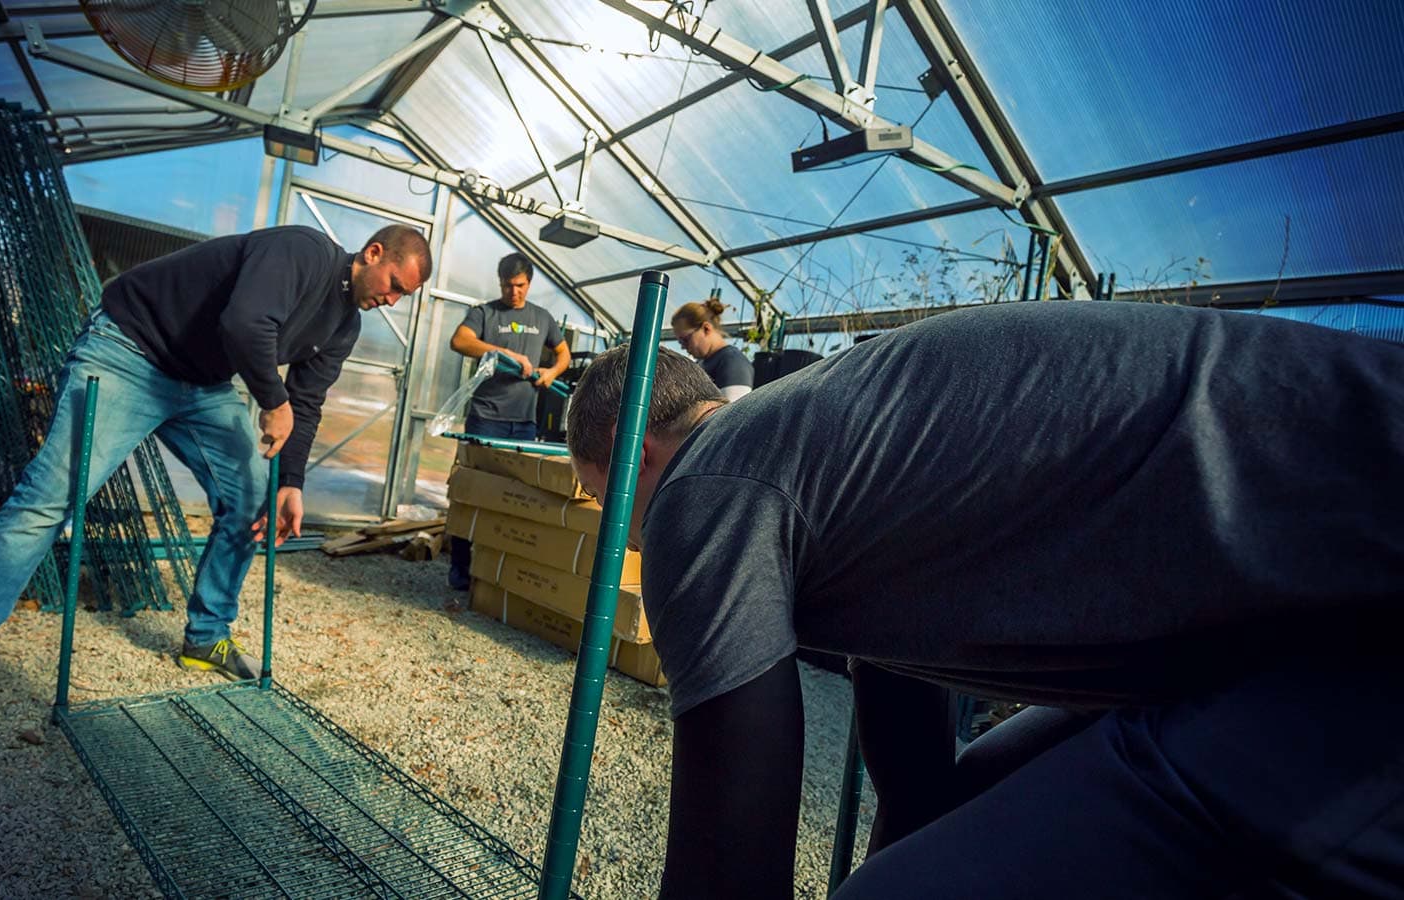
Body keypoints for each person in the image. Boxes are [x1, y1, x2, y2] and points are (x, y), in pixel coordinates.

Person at [563, 300, 1404, 898]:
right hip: (1294, 587)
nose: (628, 540)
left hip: (1351, 618)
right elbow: (917, 777)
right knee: (973, 799)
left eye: (608, 508)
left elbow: (729, 874)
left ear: (629, 453)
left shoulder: (707, 484)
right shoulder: (831, 439)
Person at [0, 223, 431, 745]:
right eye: (394, 287)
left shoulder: (344, 328)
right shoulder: (302, 251)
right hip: (128, 351)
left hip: (200, 386)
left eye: (402, 297)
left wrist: (289, 482)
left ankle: (206, 637)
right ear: (373, 253)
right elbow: (246, 324)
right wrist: (273, 399)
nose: (392, 301)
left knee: (251, 502)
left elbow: (307, 403)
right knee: (47, 500)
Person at [444, 252, 571, 591]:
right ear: (499, 283)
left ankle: (499, 568)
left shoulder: (541, 318)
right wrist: (504, 354)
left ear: (529, 284)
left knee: (514, 499)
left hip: (524, 424)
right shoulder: (485, 313)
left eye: (519, 286)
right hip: (486, 419)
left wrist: (551, 372)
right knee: (472, 492)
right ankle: (460, 567)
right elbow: (459, 341)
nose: (513, 292)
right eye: (507, 285)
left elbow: (563, 353)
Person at [671, 297, 753, 401]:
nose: (683, 346)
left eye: (685, 340)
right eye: (680, 342)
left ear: (706, 328)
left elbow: (734, 412)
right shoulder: (702, 363)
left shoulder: (733, 362)